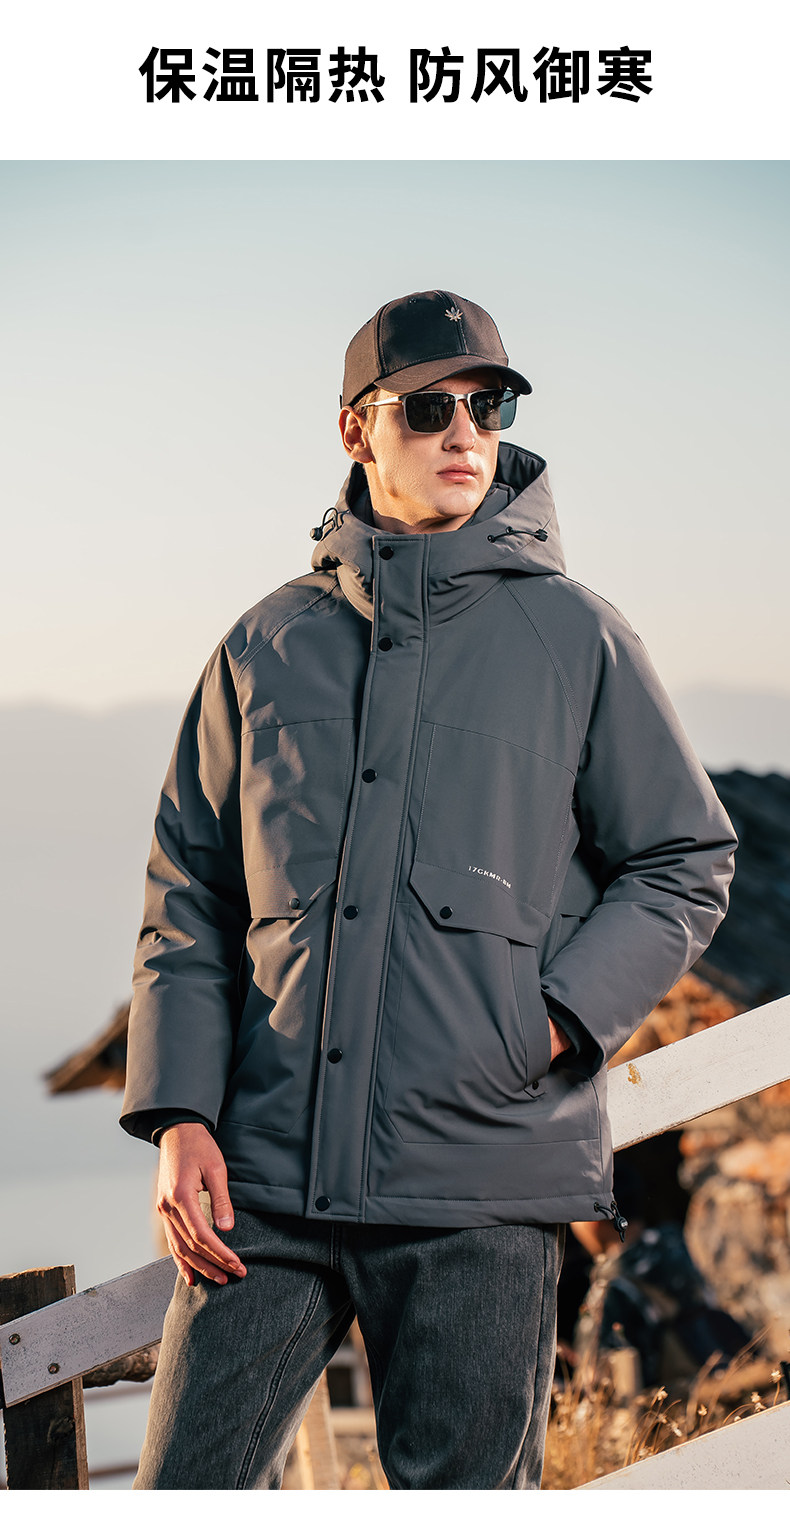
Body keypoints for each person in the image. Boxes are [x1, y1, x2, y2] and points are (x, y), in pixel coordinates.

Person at [121, 289, 737, 1490]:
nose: (465, 431)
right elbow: (188, 890)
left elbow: (684, 857)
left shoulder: (577, 638)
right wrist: (180, 1111)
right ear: (356, 428)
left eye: (488, 406)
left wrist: (551, 1021)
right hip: (266, 1188)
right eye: (428, 408)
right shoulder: (263, 647)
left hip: (479, 1183)